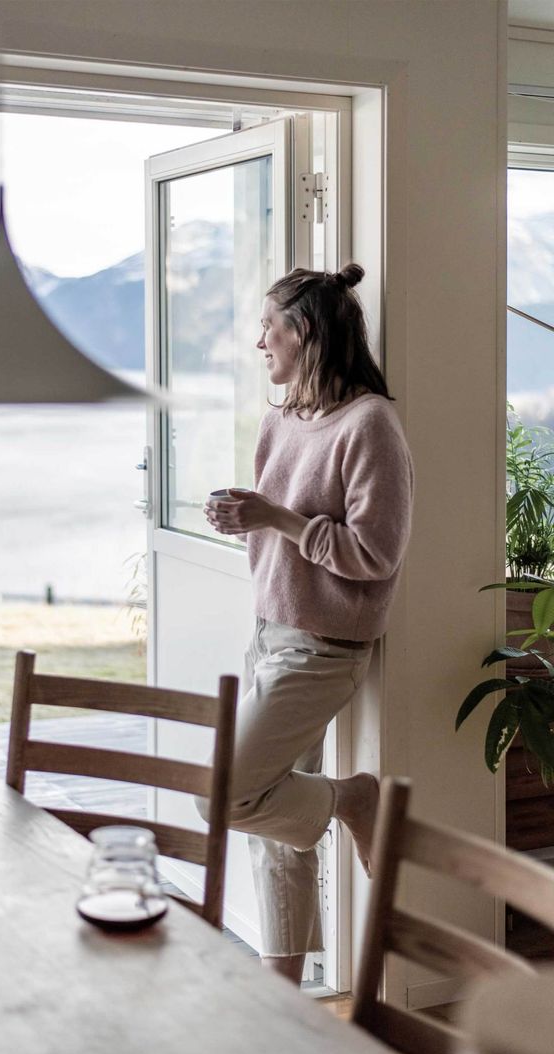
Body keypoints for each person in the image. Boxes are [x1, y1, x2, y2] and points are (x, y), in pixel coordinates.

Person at [200, 263, 413, 986]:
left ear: (307, 333)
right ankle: (281, 994)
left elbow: (374, 554)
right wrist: (245, 519)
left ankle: (353, 798)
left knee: (226, 793)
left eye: (269, 327)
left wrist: (275, 517)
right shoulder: (282, 419)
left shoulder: (372, 425)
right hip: (271, 629)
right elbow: (284, 531)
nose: (259, 341)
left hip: (323, 646)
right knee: (277, 834)